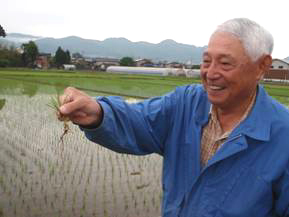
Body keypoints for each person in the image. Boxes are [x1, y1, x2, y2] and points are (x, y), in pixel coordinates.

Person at [59, 18, 289, 217]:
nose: (211, 73)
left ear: (261, 66)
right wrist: (98, 112)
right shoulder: (185, 104)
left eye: (225, 63)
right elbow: (139, 120)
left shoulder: (283, 136)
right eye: (207, 61)